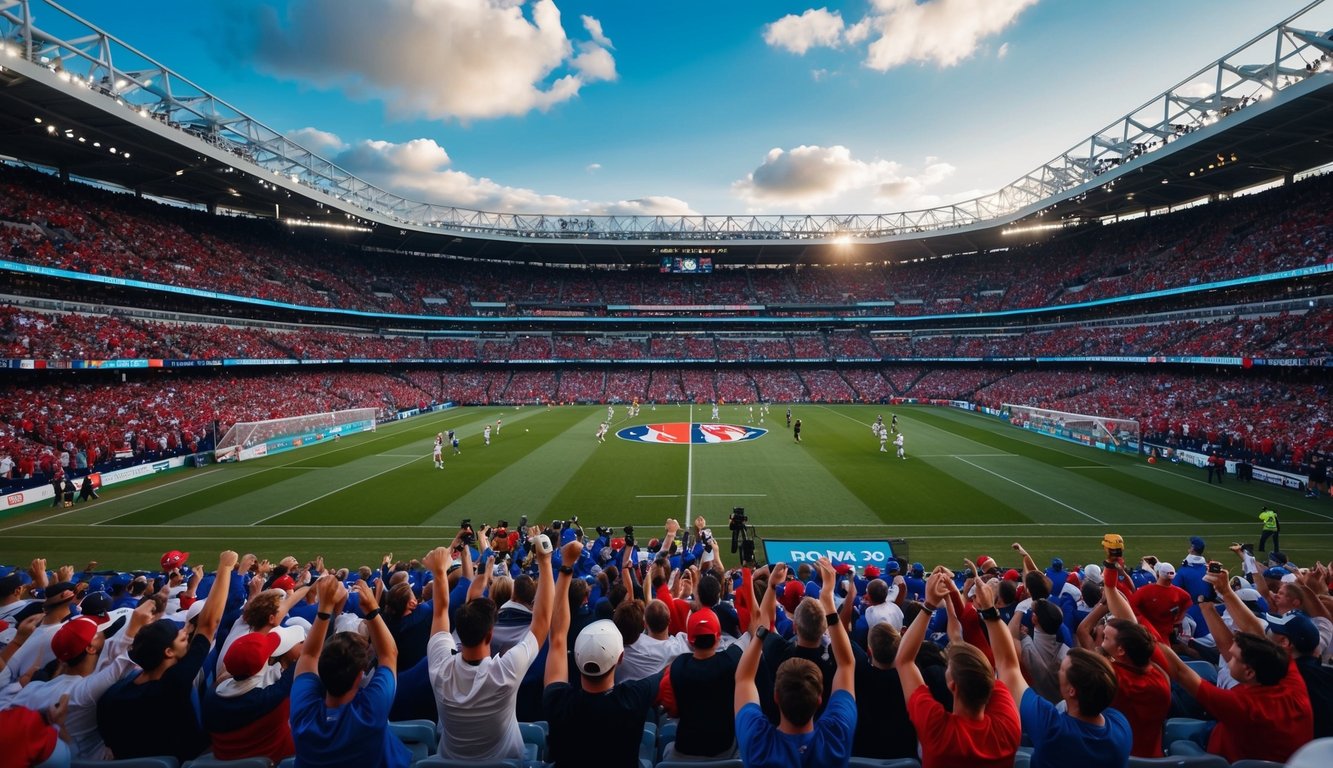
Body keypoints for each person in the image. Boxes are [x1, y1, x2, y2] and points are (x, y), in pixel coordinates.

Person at [980, 558, 1132, 768]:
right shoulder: (1121, 727)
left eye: (1064, 669)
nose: (1060, 667)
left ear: (1071, 691)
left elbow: (1007, 666)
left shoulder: (1051, 726)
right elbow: (1132, 632)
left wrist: (989, 611)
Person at [1156, 562, 1313, 763]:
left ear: (1249, 673)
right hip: (1253, 747)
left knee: (1175, 741)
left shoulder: (1242, 705)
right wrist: (1225, 591)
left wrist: (1146, 634)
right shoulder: (1291, 678)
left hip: (1222, 757)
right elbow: (1255, 633)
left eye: (1234, 659)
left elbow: (1180, 672)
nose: (1227, 656)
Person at [97, 550, 238, 764]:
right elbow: (208, 625)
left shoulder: (113, 695)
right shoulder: (174, 683)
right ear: (168, 652)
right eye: (180, 637)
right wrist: (226, 568)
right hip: (184, 760)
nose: (185, 633)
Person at [430, 528, 554, 761]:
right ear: (490, 634)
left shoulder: (440, 668)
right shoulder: (504, 672)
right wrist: (545, 561)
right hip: (506, 761)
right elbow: (543, 621)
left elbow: (439, 613)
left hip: (449, 762)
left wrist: (439, 573)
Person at [544, 539, 661, 768]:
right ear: (620, 658)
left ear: (576, 659)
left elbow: (557, 638)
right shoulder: (633, 697)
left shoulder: (558, 702)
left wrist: (566, 566)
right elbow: (672, 669)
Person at [734, 559, 856, 768]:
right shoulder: (835, 739)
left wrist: (771, 587)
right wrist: (827, 599)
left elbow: (744, 678)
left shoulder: (758, 745)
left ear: (776, 697)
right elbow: (847, 664)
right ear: (819, 700)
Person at [896, 569, 1020, 767]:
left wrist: (928, 606)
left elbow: (903, 660)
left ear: (952, 685)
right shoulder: (1006, 727)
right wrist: (989, 611)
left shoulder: (936, 729)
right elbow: (1008, 664)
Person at [289, 574, 409, 768]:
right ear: (359, 676)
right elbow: (389, 654)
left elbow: (308, 656)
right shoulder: (371, 710)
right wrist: (371, 608)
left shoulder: (303, 714)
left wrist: (325, 609)